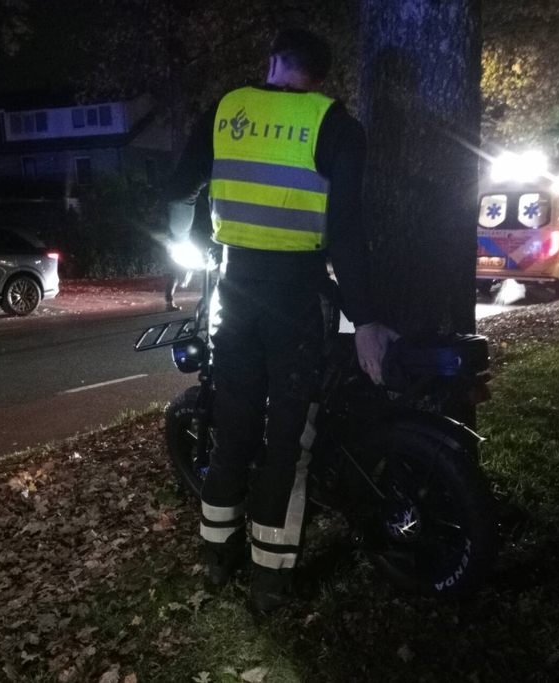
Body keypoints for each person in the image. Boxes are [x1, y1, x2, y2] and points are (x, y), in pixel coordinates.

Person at [166, 28, 398, 613]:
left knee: (234, 425)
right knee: (287, 441)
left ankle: (216, 558)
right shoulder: (337, 127)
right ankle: (270, 583)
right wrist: (365, 317)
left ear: (271, 63)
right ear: (322, 75)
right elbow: (346, 233)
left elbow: (180, 185)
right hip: (297, 297)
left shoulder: (227, 110)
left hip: (236, 291)